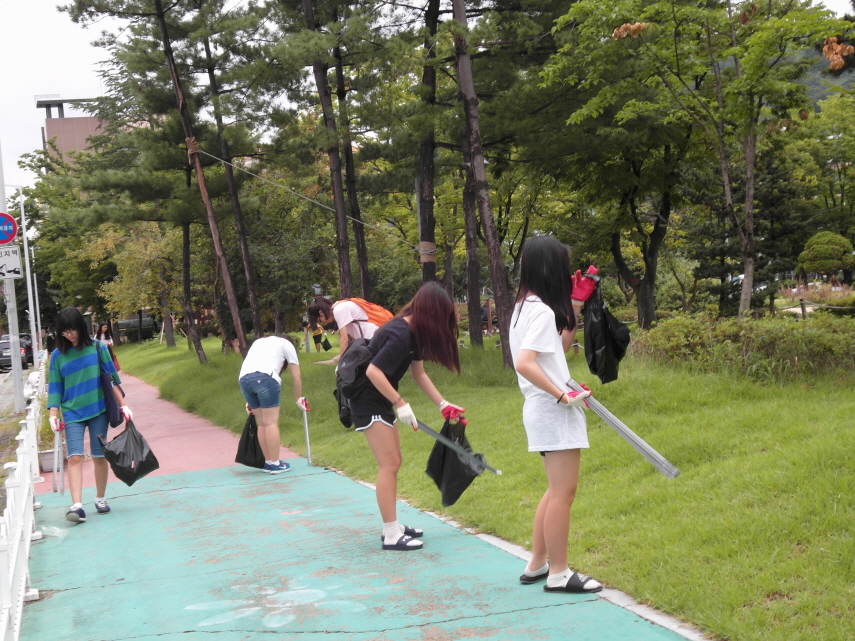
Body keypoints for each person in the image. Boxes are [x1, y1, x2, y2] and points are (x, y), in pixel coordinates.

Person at [508, 236, 603, 594]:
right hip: (550, 409)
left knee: (555, 490)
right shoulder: (541, 310)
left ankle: (537, 564)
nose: (568, 274)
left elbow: (557, 350)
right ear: (551, 268)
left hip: (542, 407)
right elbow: (525, 363)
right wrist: (562, 394)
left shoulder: (524, 307)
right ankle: (559, 573)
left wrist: (575, 305)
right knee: (564, 493)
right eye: (564, 267)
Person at [349, 282, 466, 551]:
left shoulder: (414, 333)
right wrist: (400, 403)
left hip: (379, 398)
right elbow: (373, 372)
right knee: (389, 464)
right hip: (367, 399)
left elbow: (419, 373)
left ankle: (393, 525)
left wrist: (443, 404)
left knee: (393, 461)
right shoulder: (400, 332)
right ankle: (391, 533)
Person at [48, 307, 133, 523]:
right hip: (72, 412)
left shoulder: (97, 348)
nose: (69, 335)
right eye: (65, 332)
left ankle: (100, 498)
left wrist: (123, 405)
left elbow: (111, 379)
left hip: (98, 410)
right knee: (74, 457)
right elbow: (56, 387)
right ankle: (77, 506)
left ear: (81, 328)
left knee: (99, 456)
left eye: (72, 330)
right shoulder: (58, 355)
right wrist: (53, 414)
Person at [238, 334, 309, 474]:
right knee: (270, 423)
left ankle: (268, 462)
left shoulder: (258, 342)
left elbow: (253, 367)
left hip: (244, 380)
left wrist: (249, 401)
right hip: (265, 379)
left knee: (262, 423)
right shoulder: (286, 344)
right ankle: (276, 464)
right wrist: (298, 398)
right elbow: (296, 376)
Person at [307, 296, 382, 364]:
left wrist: (340, 365)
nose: (323, 322)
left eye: (320, 320)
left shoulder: (339, 310)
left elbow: (344, 340)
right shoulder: (339, 307)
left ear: (321, 312)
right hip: (371, 339)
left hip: (374, 338)